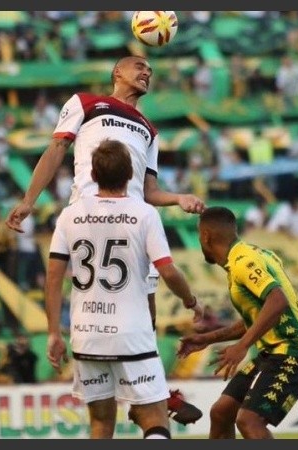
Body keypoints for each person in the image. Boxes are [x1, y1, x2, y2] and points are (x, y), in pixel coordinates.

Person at [5, 54, 206, 425]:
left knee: (146, 308)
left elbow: (150, 191)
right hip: (88, 214)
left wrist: (179, 198)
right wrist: (29, 199)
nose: (147, 72)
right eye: (139, 66)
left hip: (131, 216)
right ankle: (148, 396)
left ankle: (149, 390)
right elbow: (56, 149)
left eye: (150, 70)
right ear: (117, 72)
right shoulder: (85, 103)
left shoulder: (149, 130)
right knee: (102, 303)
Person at [44, 140, 205, 439]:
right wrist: (191, 301)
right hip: (130, 335)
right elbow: (168, 271)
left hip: (86, 335)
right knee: (155, 416)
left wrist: (54, 332)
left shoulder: (69, 215)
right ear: (132, 174)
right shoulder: (144, 214)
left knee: (101, 423)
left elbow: (53, 278)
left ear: (93, 174)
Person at [178, 206, 298, 439]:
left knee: (249, 421)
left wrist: (242, 346)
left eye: (198, 235)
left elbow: (278, 301)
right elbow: (261, 316)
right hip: (274, 350)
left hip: (297, 350)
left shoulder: (243, 263)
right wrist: (207, 338)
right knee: (221, 413)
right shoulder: (253, 254)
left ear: (205, 236)